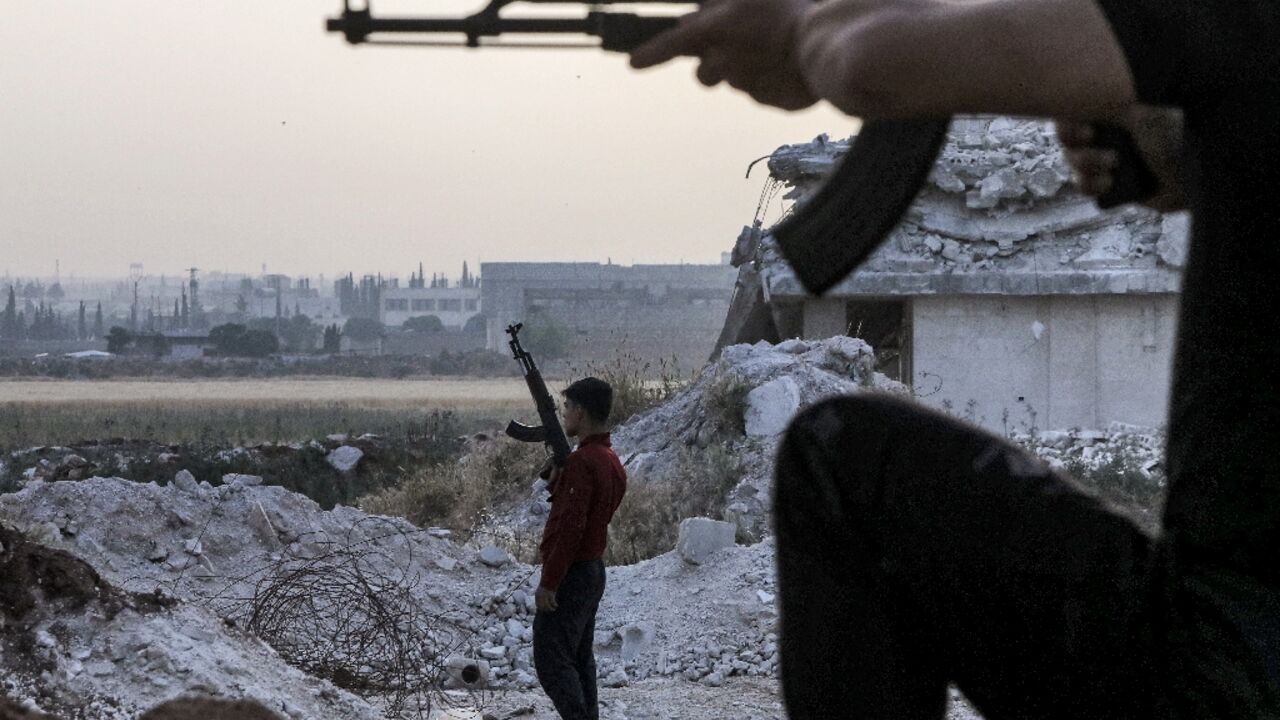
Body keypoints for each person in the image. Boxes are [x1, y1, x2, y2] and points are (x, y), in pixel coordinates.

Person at [631, 1, 1280, 717]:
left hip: (1227, 666)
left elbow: (872, 65)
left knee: (840, 459)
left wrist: (800, 26)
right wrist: (1185, 157)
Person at [533, 377, 628, 720]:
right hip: (592, 570)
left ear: (582, 413)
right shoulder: (609, 459)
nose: (564, 415)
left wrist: (550, 582)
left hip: (572, 574)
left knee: (552, 660)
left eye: (568, 408)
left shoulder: (584, 462)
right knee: (579, 658)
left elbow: (570, 529)